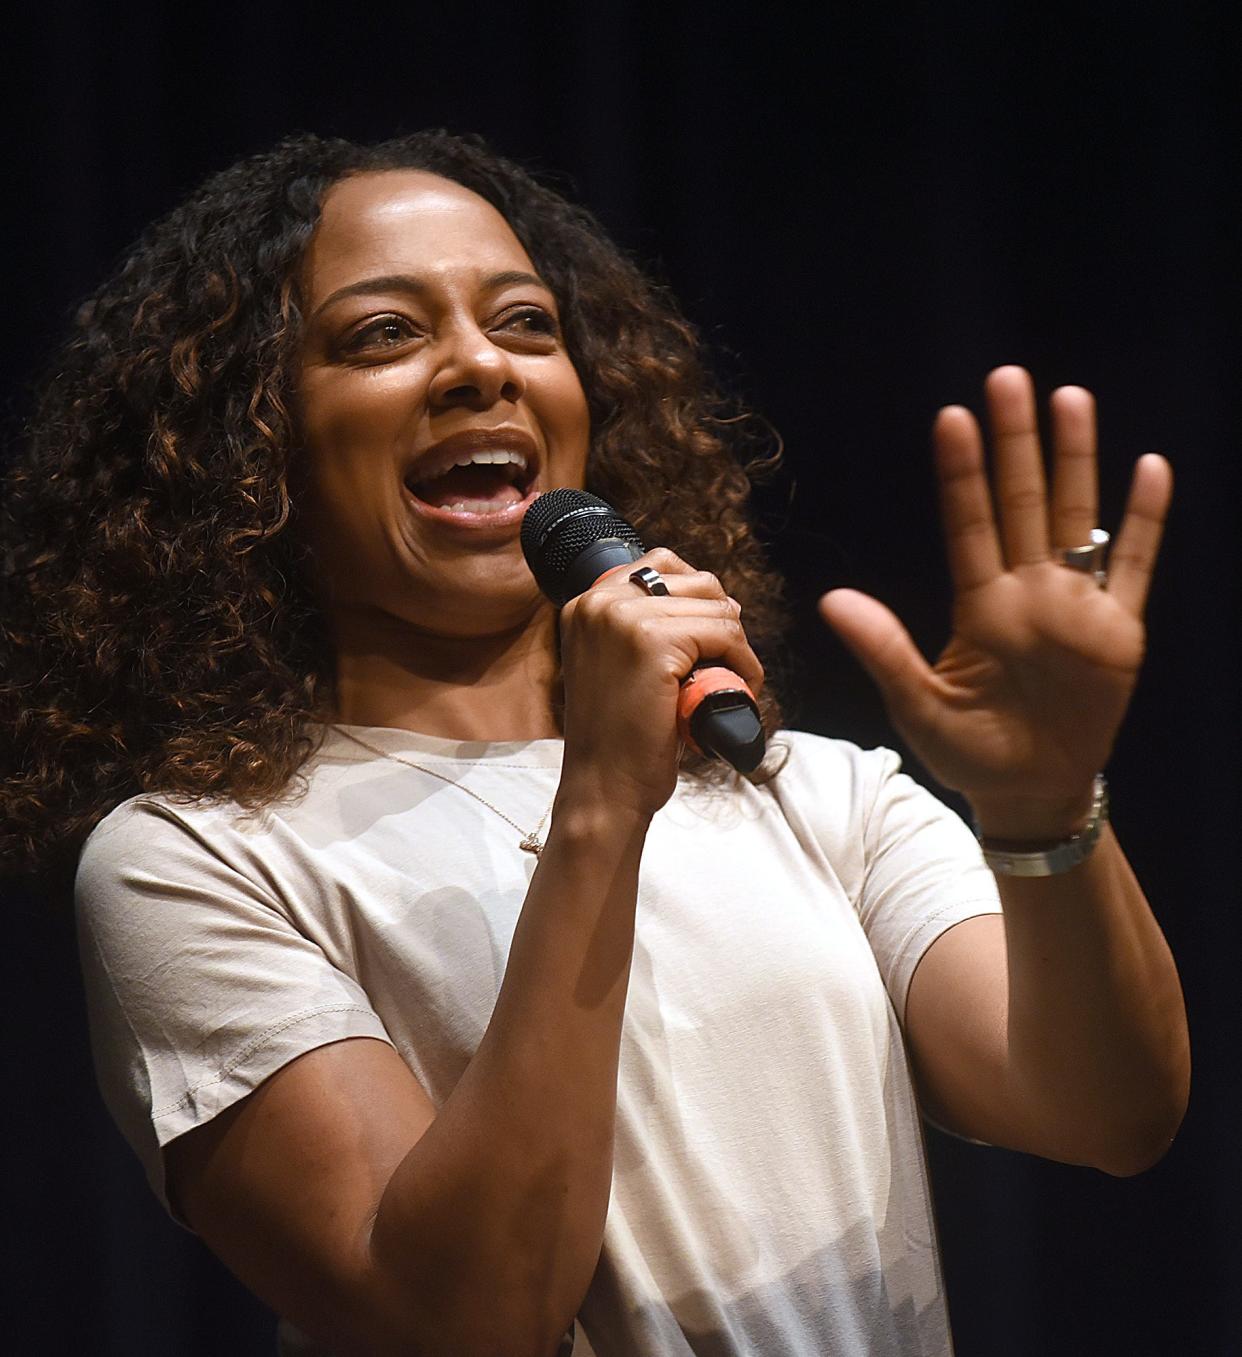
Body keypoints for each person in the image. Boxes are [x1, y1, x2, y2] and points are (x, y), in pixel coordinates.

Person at [0, 131, 1189, 1357]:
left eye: (524, 323)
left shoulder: (807, 794)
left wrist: (1046, 811)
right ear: (253, 446)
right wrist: (603, 807)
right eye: (385, 334)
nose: (479, 366)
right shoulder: (196, 860)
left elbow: (1109, 1109)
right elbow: (462, 1320)